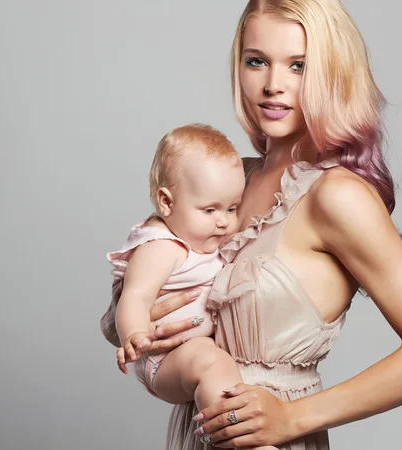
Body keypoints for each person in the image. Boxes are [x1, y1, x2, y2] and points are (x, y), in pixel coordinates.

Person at [126, 1, 402, 448]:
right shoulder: (231, 183)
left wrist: (291, 417)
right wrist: (129, 319)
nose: (272, 86)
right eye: (256, 61)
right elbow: (151, 273)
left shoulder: (336, 195)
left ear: (331, 72)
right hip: (198, 433)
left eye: (299, 66)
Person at [100, 123, 277, 450]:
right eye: (210, 210)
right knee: (210, 362)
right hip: (163, 359)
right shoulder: (161, 247)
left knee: (211, 359)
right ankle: (245, 444)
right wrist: (135, 337)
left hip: (188, 352)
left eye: (232, 208)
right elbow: (135, 297)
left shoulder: (203, 236)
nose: (223, 221)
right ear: (167, 202)